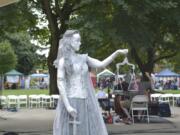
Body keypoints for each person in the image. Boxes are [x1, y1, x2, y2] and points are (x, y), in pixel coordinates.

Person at [53, 30, 128, 135]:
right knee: (71, 131)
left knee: (84, 130)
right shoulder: (63, 61)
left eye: (80, 40)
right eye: (77, 40)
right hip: (70, 100)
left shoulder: (84, 58)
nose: (80, 43)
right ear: (69, 42)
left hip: (85, 101)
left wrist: (117, 53)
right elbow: (60, 83)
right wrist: (68, 106)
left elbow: (101, 64)